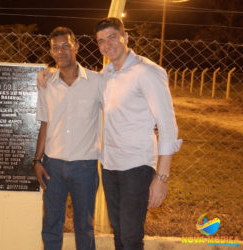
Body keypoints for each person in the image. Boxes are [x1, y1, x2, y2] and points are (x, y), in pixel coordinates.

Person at [96, 17, 182, 250]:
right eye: (101, 41)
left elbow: (167, 125)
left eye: (112, 37)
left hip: (136, 166)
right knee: (120, 235)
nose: (107, 45)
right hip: (110, 166)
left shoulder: (147, 72)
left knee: (132, 238)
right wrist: (50, 72)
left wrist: (161, 178)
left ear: (126, 38)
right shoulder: (107, 73)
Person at [33, 27, 102, 250]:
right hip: (52, 165)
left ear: (77, 46)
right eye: (55, 48)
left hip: (85, 166)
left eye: (66, 45)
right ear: (51, 52)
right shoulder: (47, 85)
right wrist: (37, 160)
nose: (61, 51)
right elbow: (44, 123)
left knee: (85, 227)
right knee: (51, 224)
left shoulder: (97, 82)